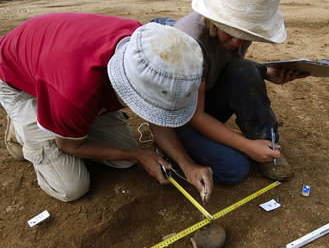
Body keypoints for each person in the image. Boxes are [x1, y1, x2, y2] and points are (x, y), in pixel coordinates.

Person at [0, 13, 213, 202]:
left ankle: (71, 123)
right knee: (72, 188)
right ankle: (23, 130)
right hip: (17, 78)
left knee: (122, 163)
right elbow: (68, 146)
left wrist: (186, 164)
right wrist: (137, 155)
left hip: (63, 75)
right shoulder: (76, 91)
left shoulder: (149, 47)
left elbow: (158, 116)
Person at [152, 0, 307, 184]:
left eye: (245, 34)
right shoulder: (190, 43)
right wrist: (245, 146)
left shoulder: (238, 36)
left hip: (203, 98)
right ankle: (169, 147)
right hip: (179, 116)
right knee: (233, 169)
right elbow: (196, 115)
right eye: (231, 30)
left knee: (245, 70)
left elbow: (230, 67)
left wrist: (264, 73)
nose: (236, 42)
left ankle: (269, 148)